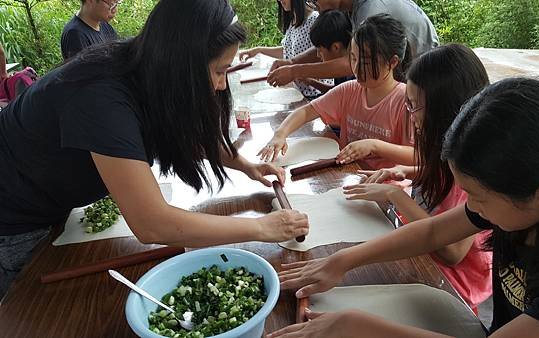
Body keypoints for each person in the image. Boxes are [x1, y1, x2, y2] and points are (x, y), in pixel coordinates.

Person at [0, 0, 308, 299]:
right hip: (14, 219)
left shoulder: (149, 70)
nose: (221, 85)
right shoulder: (102, 97)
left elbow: (182, 133)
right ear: (182, 64)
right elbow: (152, 223)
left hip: (50, 200)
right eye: (218, 71)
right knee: (31, 307)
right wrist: (260, 228)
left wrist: (244, 165)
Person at [272, 78, 539, 337]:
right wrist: (344, 260)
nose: (471, 208)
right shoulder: (524, 194)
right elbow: (433, 231)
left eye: (478, 197)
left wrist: (358, 327)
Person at [353, 44, 493, 312]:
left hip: (455, 284)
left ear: (445, 109)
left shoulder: (476, 165)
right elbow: (443, 175)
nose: (411, 116)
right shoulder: (451, 146)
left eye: (415, 107)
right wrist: (407, 171)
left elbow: (452, 252)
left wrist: (394, 195)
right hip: (427, 254)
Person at [258, 14, 414, 170]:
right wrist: (280, 134)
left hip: (388, 188)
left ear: (393, 62)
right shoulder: (350, 90)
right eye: (353, 58)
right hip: (350, 177)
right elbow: (306, 112)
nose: (357, 68)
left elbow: (418, 157)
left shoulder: (407, 101)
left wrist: (375, 146)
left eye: (365, 62)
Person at [267, 0, 438, 87]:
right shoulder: (354, 9)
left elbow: (355, 63)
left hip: (425, 78)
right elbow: (332, 48)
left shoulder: (371, 10)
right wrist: (292, 62)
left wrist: (294, 71)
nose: (315, 5)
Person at [238, 0, 330, 98]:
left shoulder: (314, 20)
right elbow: (288, 51)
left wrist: (296, 72)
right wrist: (259, 50)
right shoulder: (293, 20)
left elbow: (322, 57)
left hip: (315, 94)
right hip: (297, 92)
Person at [300, 9, 353, 94]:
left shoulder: (354, 76)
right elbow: (336, 91)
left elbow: (341, 95)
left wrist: (295, 71)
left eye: (320, 50)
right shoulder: (339, 64)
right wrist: (311, 82)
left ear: (336, 47)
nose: (318, 55)